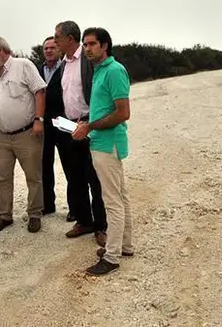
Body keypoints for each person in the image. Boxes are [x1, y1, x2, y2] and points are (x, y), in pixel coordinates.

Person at [72, 27, 133, 276]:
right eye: (85, 44)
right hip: (100, 142)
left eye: (92, 44)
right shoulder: (99, 70)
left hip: (108, 144)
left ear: (104, 45)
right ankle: (124, 246)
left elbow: (123, 112)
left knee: (112, 201)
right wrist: (87, 122)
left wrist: (90, 127)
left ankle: (112, 257)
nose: (87, 48)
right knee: (120, 196)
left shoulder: (114, 70)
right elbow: (104, 108)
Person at [0, 35, 47, 233]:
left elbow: (39, 92)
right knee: (1, 177)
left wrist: (39, 120)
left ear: (0, 50)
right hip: (0, 136)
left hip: (26, 133)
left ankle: (35, 214)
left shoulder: (24, 65)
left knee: (33, 176)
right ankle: (5, 215)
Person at [54, 21, 107, 246]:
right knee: (75, 178)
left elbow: (98, 92)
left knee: (95, 180)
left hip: (89, 125)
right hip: (70, 127)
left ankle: (101, 226)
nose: (55, 40)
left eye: (57, 37)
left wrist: (90, 122)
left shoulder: (88, 59)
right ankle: (84, 221)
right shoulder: (63, 64)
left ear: (69, 38)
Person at [38, 36, 74, 221]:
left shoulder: (67, 67)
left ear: (59, 49)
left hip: (63, 121)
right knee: (44, 165)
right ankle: (47, 204)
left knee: (70, 165)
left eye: (52, 47)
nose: (49, 51)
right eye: (46, 48)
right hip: (43, 124)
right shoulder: (37, 70)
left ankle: (75, 208)